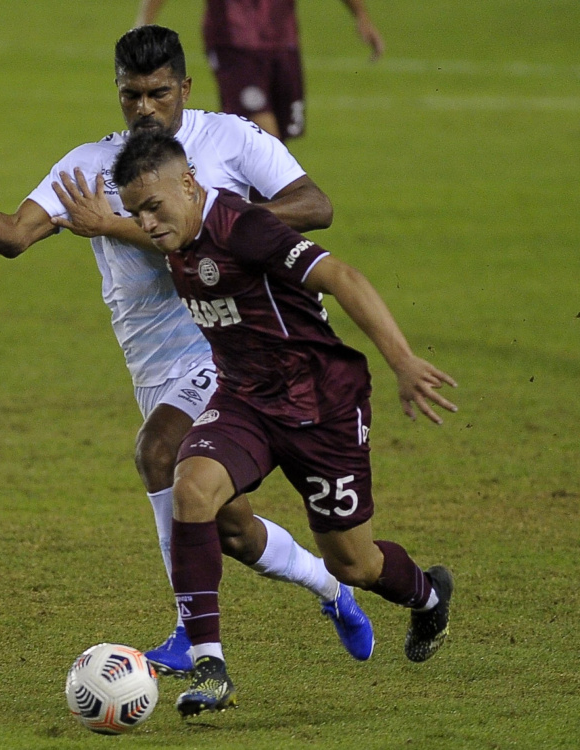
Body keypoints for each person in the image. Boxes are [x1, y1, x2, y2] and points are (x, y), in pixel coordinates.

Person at [0, 25, 373, 676]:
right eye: (131, 95)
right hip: (153, 365)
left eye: (158, 93)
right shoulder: (92, 165)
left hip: (228, 347)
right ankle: (332, 587)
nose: (145, 108)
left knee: (156, 449)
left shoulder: (228, 139)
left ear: (184, 87)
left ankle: (192, 639)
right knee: (230, 529)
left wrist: (213, 221)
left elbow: (314, 205)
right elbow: (15, 235)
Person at [112, 130, 457, 717]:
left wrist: (402, 361)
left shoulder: (244, 228)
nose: (146, 223)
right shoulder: (176, 234)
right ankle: (210, 666)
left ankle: (428, 594)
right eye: (135, 211)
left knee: (354, 562)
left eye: (153, 207)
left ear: (190, 185)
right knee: (191, 487)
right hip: (245, 399)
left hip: (322, 404)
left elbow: (342, 276)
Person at [135, 0, 385, 140]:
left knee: (276, 149)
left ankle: (249, 217)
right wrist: (144, 22)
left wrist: (361, 16)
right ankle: (263, 224)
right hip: (234, 41)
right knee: (263, 137)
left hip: (283, 42)